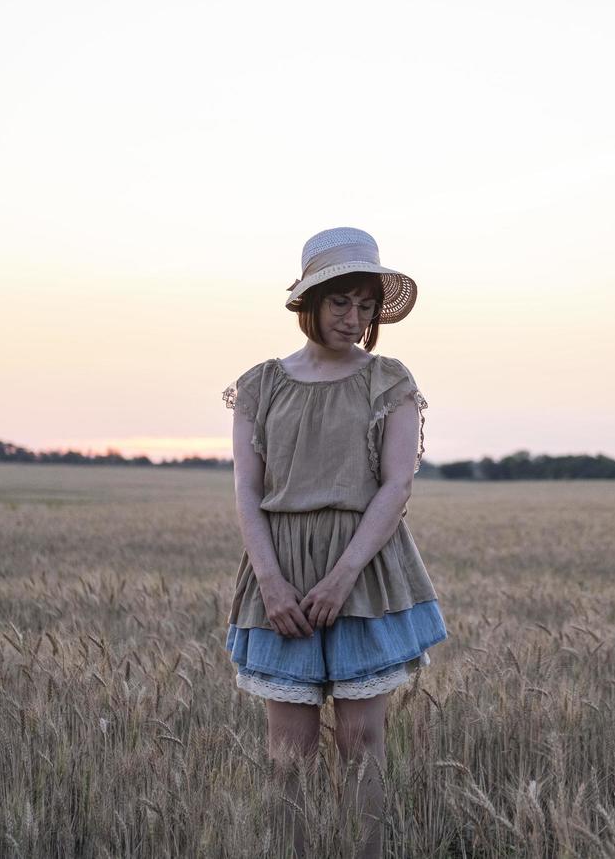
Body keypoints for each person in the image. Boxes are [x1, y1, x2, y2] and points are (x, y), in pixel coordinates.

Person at [221, 227, 447, 858]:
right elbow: (246, 489)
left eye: (366, 306)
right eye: (341, 303)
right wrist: (269, 580)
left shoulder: (389, 381)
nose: (355, 319)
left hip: (364, 566)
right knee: (287, 754)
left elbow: (397, 484)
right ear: (310, 304)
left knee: (361, 742)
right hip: (280, 566)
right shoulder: (261, 384)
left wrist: (344, 575)